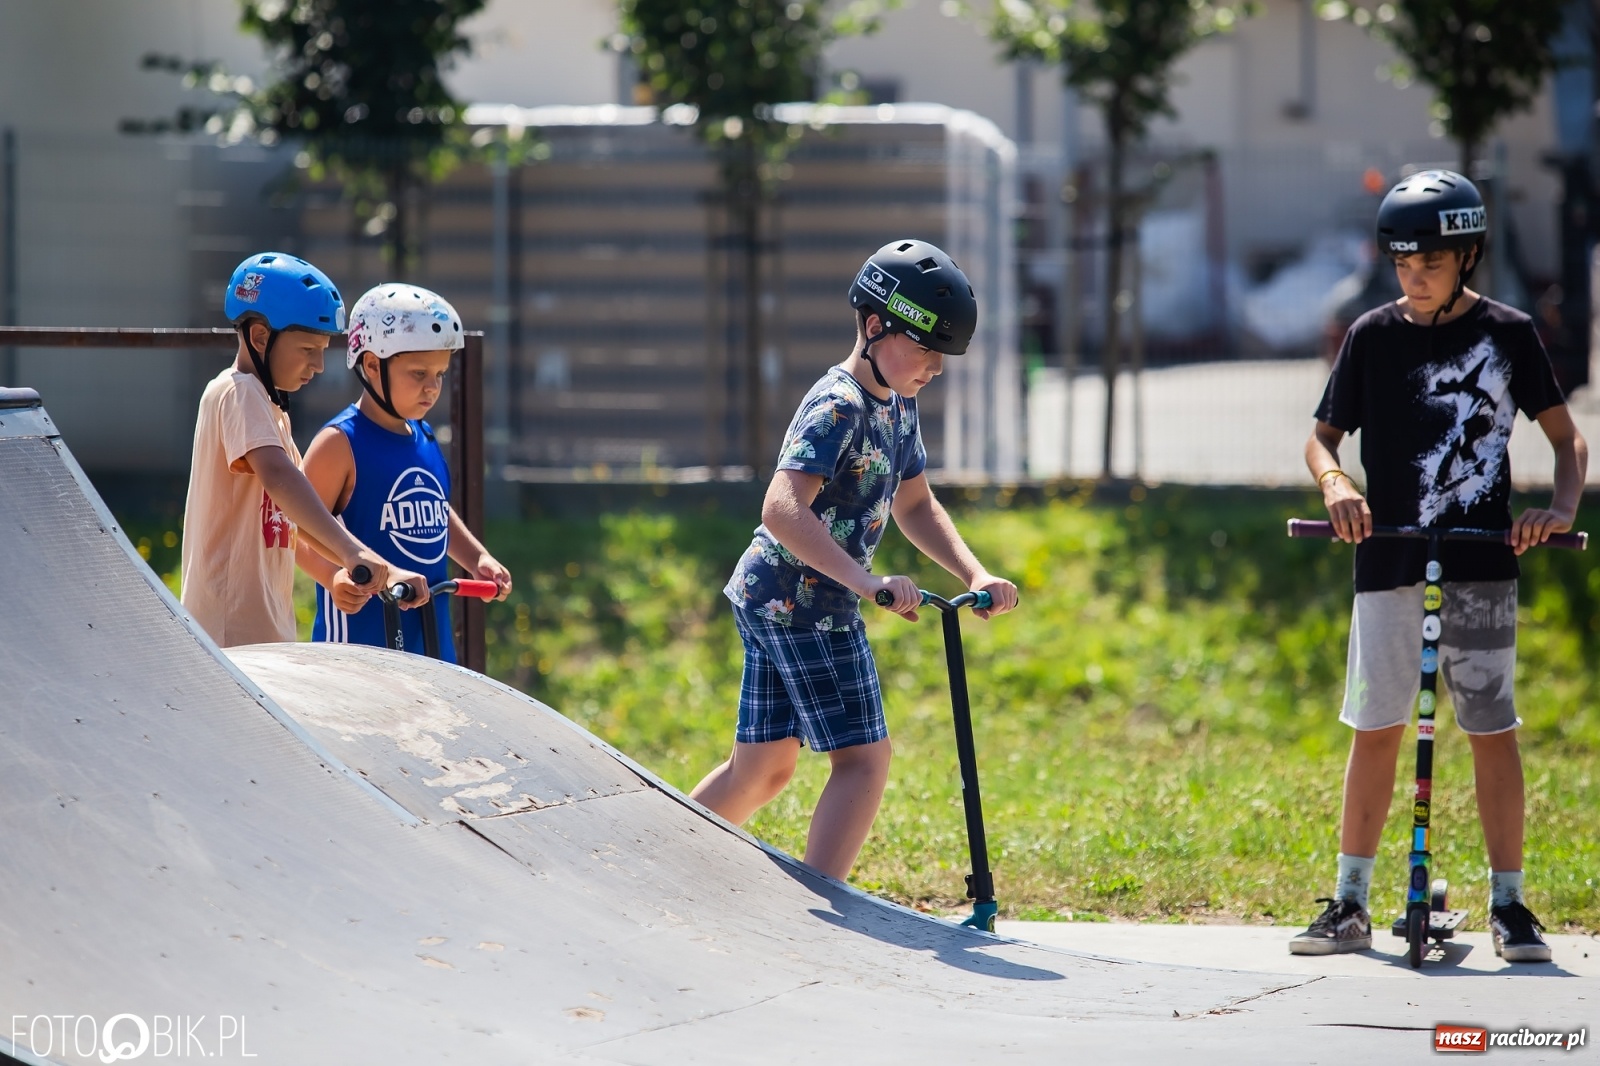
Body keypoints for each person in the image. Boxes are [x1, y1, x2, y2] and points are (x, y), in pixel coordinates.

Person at [1292, 171, 1587, 962]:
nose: (1413, 279)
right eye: (1401, 265)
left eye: (1428, 263)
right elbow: (1322, 438)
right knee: (1375, 728)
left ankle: (1511, 905)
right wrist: (1335, 483)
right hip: (1386, 559)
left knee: (1491, 729)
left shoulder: (1509, 334)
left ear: (1467, 256)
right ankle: (1349, 899)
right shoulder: (1372, 335)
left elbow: (1568, 440)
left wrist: (1557, 511)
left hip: (1481, 563)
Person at [690, 239, 1020, 882]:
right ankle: (827, 909)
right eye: (925, 348)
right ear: (874, 327)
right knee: (864, 759)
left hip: (776, 598)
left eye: (943, 356)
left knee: (761, 769)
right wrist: (865, 581)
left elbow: (916, 504)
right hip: (803, 604)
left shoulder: (899, 405)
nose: (935, 367)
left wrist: (973, 573)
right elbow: (781, 510)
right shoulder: (837, 404)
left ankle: (659, 863)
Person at [181, 252, 411, 648]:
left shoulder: (271, 412)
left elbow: (295, 518)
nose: (319, 365)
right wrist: (352, 551)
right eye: (308, 349)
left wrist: (339, 573)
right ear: (260, 338)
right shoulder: (239, 392)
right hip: (228, 632)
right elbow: (281, 479)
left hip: (262, 631)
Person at [300, 284, 511, 662]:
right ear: (370, 365)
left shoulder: (424, 435)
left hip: (430, 644)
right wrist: (332, 576)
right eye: (418, 373)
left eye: (440, 374)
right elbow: (294, 532)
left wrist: (477, 557)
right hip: (357, 654)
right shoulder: (339, 443)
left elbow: (434, 511)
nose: (432, 387)